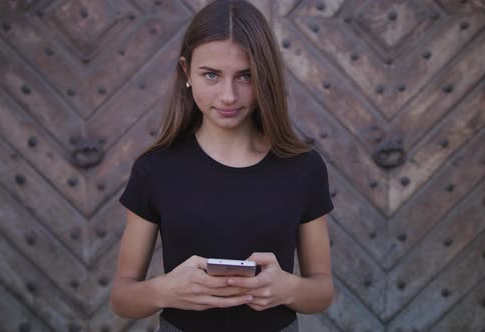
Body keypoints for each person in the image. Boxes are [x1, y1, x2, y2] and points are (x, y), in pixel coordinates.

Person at [110, 1, 335, 331]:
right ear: (186, 72)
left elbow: (322, 292)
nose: (228, 95)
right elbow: (122, 299)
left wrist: (288, 288)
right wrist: (165, 290)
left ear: (266, 75)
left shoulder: (303, 168)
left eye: (246, 75)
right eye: (211, 75)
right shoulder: (154, 170)